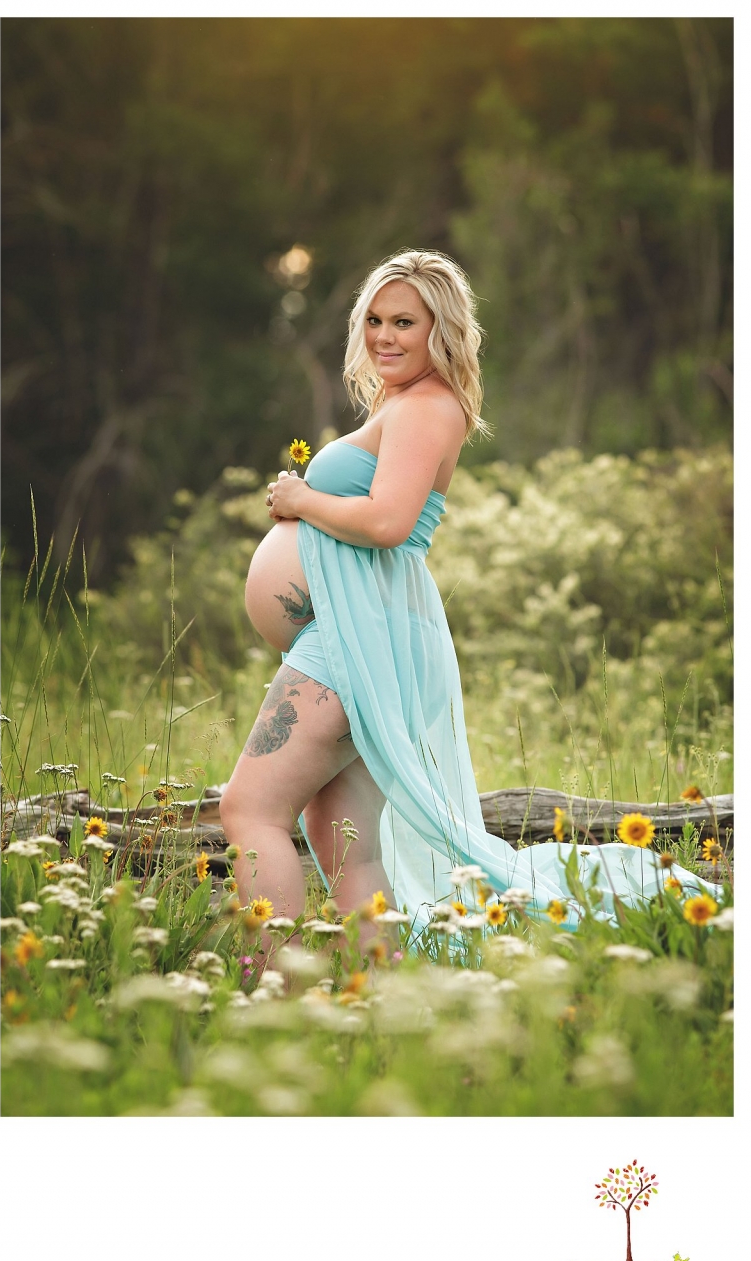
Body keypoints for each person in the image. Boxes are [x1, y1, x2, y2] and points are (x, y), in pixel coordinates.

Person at [220, 249, 708, 932]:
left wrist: (303, 500)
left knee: (249, 810)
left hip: (359, 643)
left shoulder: (428, 407)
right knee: (347, 845)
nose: (384, 336)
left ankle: (267, 975)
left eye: (404, 322)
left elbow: (388, 523)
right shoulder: (406, 405)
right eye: (374, 320)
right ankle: (380, 986)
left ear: (440, 330)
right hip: (363, 639)